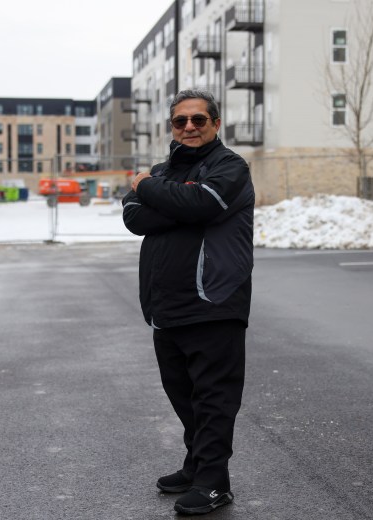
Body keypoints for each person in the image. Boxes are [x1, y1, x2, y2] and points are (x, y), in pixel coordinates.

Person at [122, 89, 254, 515]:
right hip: (167, 305)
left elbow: (203, 203)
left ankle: (215, 483)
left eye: (199, 120)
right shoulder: (167, 170)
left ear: (216, 124)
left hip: (212, 301)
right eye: (181, 121)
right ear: (172, 127)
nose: (190, 127)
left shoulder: (229, 167)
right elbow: (133, 217)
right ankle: (197, 464)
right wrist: (173, 199)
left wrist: (146, 186)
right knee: (182, 393)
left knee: (213, 397)